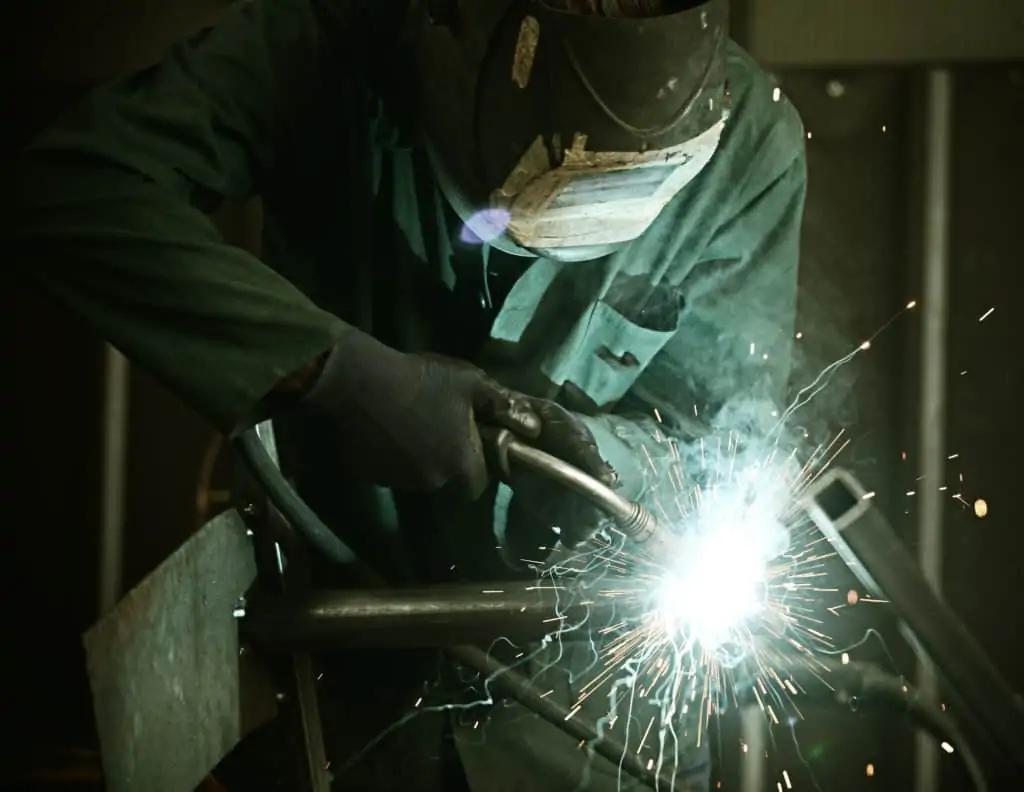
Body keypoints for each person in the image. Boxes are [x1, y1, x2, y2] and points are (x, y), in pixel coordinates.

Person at [8, 0, 806, 789]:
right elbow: (73, 184)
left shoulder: (746, 145)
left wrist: (607, 470)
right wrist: (332, 372)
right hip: (336, 695)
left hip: (591, 726)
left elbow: (728, 458)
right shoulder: (336, 43)